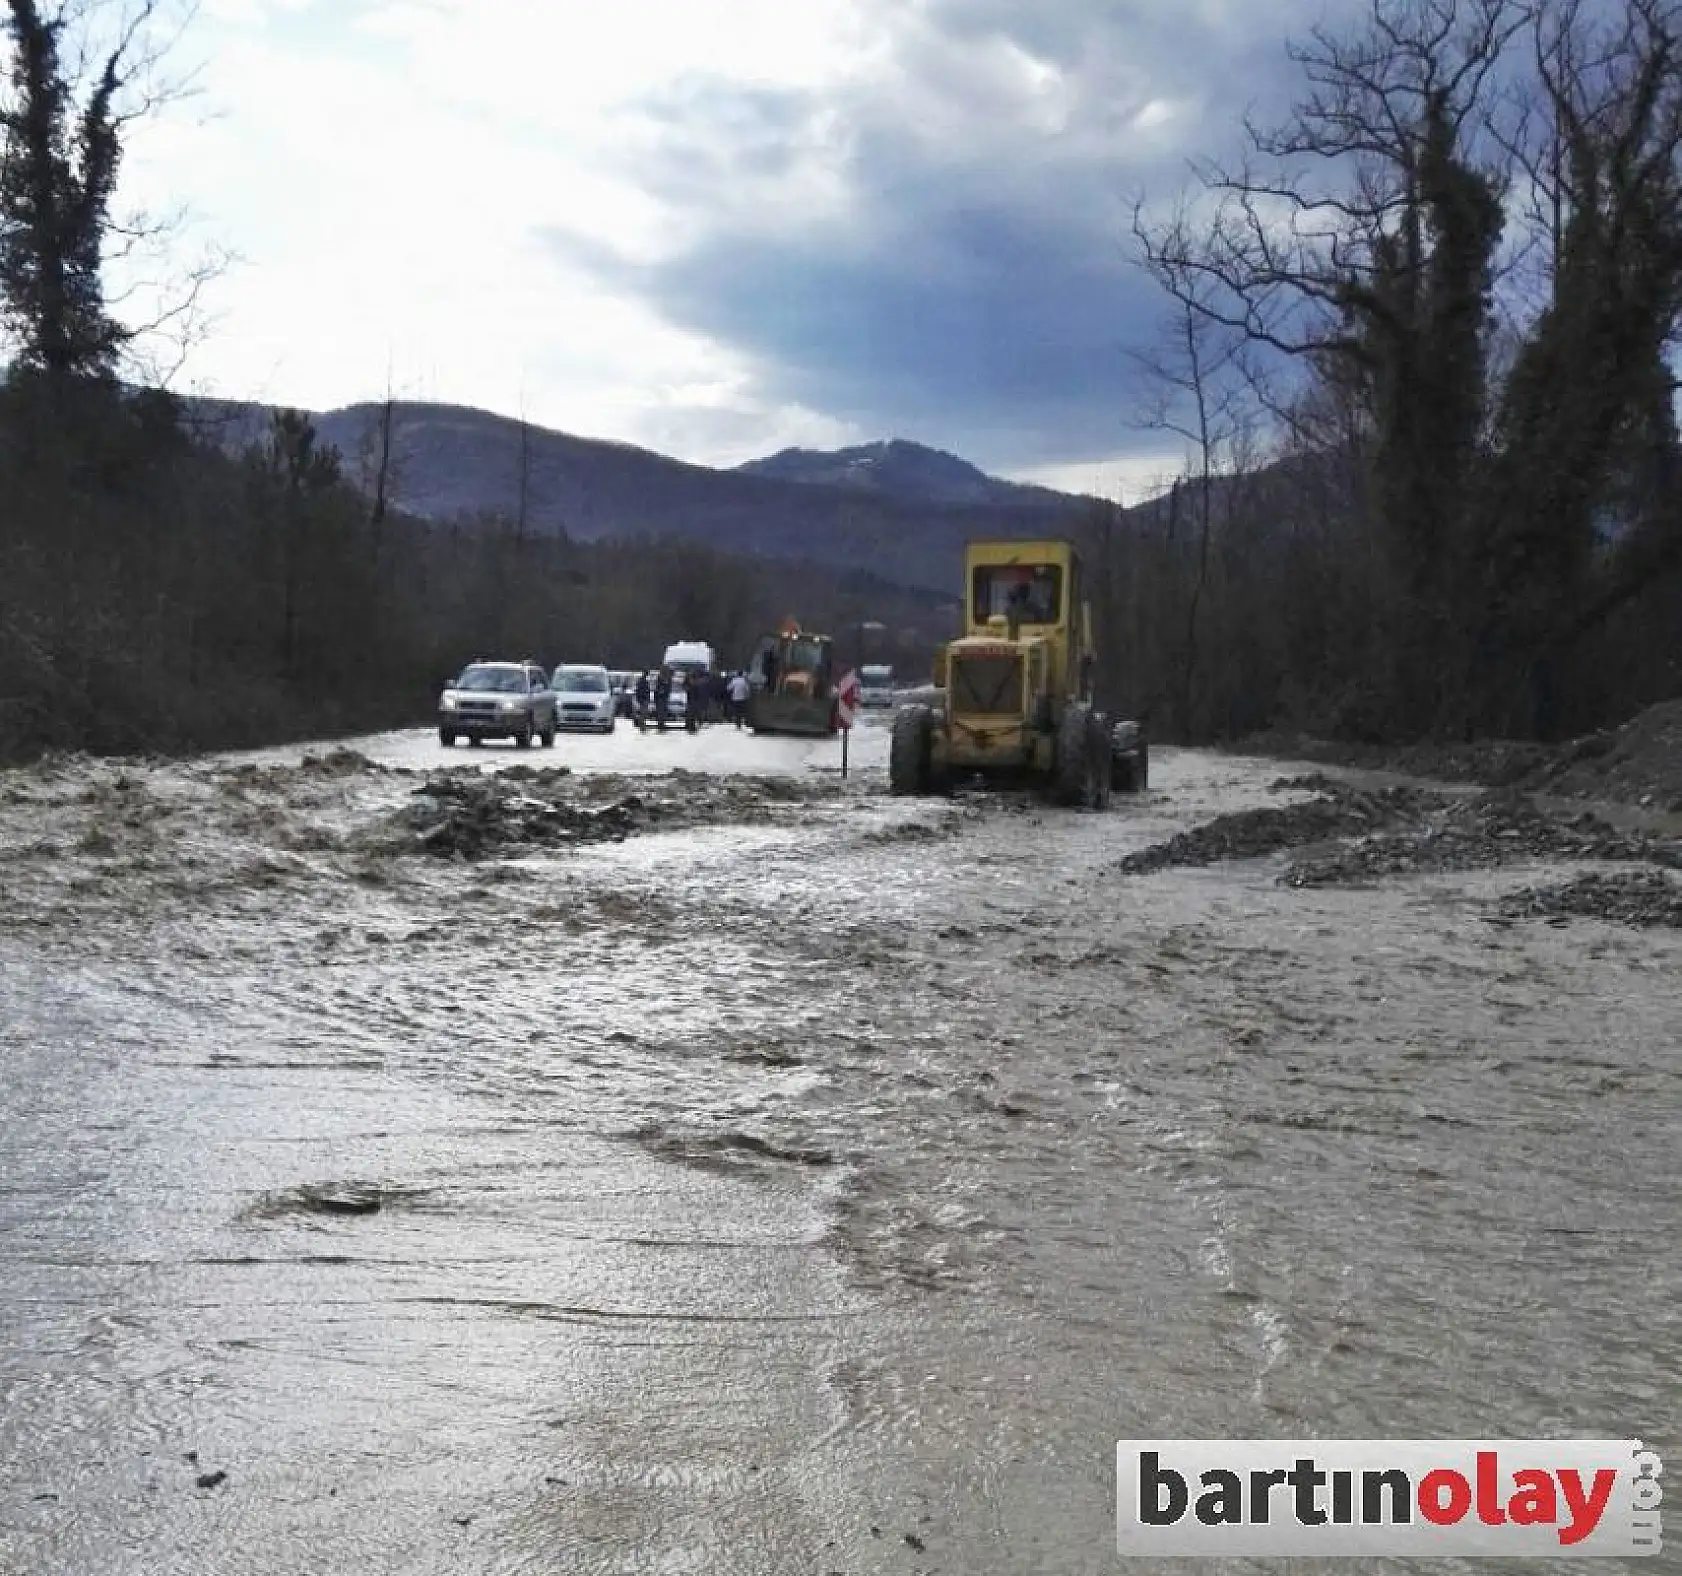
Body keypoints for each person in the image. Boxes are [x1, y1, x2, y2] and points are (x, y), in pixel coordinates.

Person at [653, 667, 672, 732]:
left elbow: (668, 688)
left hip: (663, 698)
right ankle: (660, 725)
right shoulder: (661, 679)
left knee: (663, 712)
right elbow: (658, 689)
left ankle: (662, 725)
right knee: (661, 712)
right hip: (660, 698)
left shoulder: (668, 679)